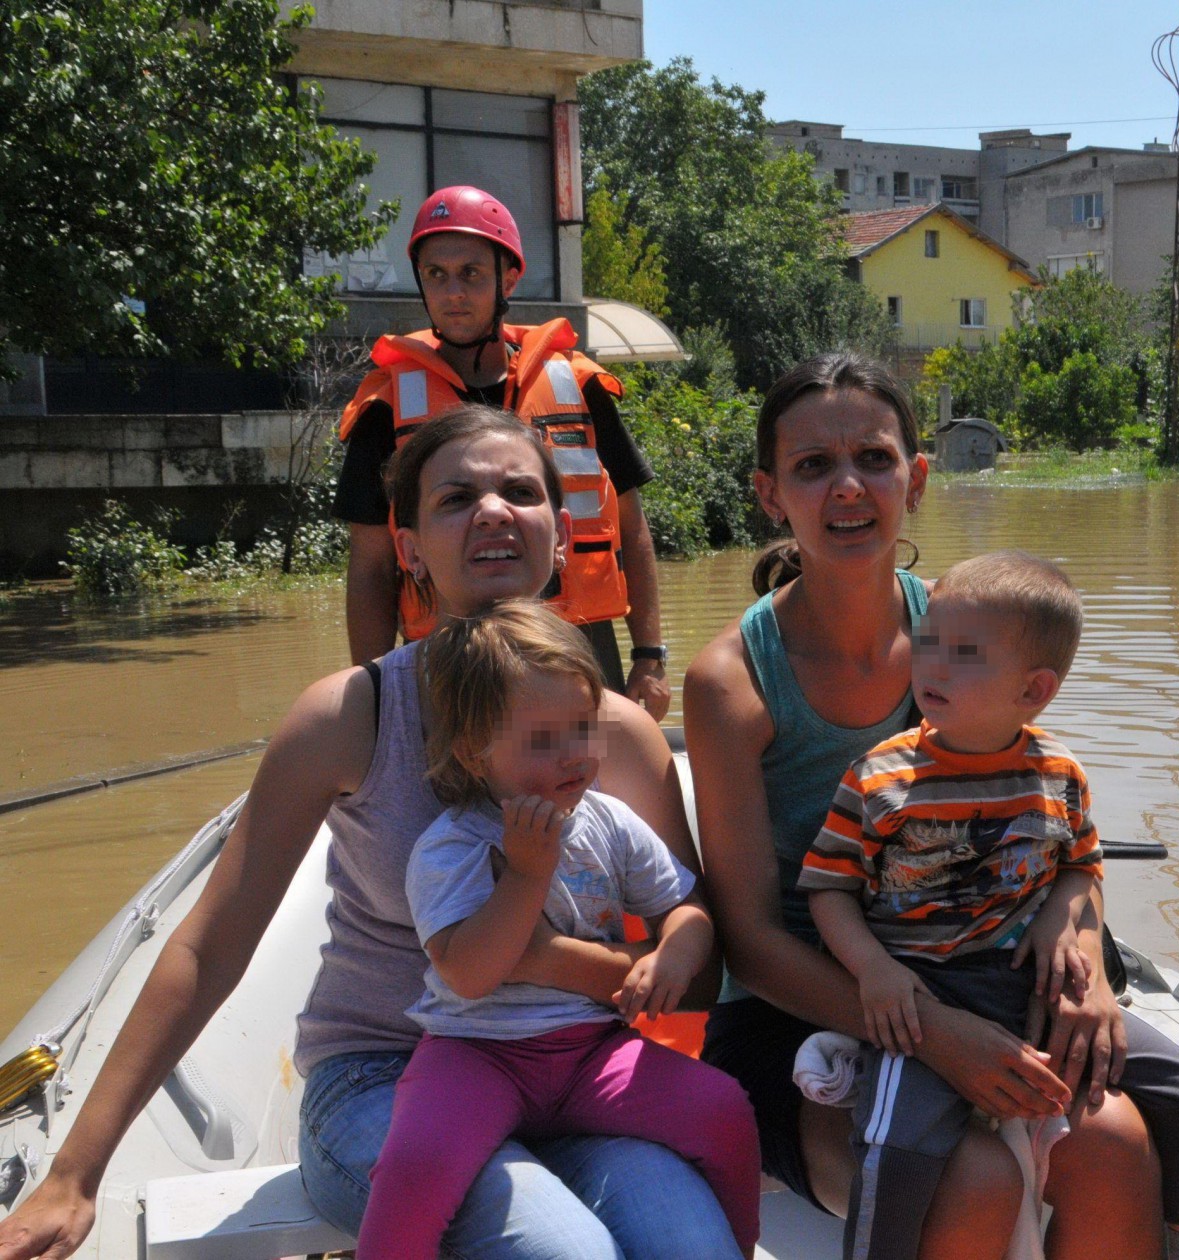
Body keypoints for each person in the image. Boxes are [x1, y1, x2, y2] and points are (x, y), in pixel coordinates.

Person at [0, 405, 738, 1260]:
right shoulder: (352, 716)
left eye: (520, 492)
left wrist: (570, 966)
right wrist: (75, 1171)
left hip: (567, 1068)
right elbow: (209, 946)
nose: (494, 511)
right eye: (456, 498)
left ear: (562, 535)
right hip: (381, 1077)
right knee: (560, 1251)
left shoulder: (623, 737)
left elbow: (695, 964)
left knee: (692, 1242)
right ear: (412, 550)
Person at [684, 352, 1165, 1260]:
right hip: (805, 1012)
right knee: (971, 1174)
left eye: (873, 457)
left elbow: (1057, 829)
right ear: (768, 493)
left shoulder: (973, 627)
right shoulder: (730, 683)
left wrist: (1087, 960)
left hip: (977, 978)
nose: (849, 487)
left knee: (1113, 1141)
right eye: (813, 466)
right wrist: (934, 1036)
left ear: (919, 478)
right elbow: (748, 940)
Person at [800, 550, 1179, 1260]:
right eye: (929, 641)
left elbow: (1080, 865)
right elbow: (829, 889)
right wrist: (872, 971)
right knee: (894, 1148)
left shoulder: (1060, 774)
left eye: (963, 655)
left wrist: (1072, 933)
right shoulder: (880, 776)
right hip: (920, 995)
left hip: (1031, 988)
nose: (932, 665)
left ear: (1034, 690)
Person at [357, 602, 759, 1260]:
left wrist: (677, 956)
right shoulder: (449, 847)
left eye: (582, 727)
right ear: (473, 751)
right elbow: (469, 972)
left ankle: (739, 1248)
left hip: (591, 1055)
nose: (573, 755)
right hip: (477, 1056)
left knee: (723, 1107)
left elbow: (684, 906)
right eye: (544, 739)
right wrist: (526, 874)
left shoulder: (609, 822)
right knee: (416, 1163)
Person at [334, 185, 671, 719]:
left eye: (471, 273)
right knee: (456, 788)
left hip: (578, 641)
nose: (453, 293)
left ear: (507, 278)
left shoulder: (576, 384)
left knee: (588, 787)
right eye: (436, 275)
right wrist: (377, 695)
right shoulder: (386, 405)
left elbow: (631, 526)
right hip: (449, 650)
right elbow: (372, 566)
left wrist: (650, 657)